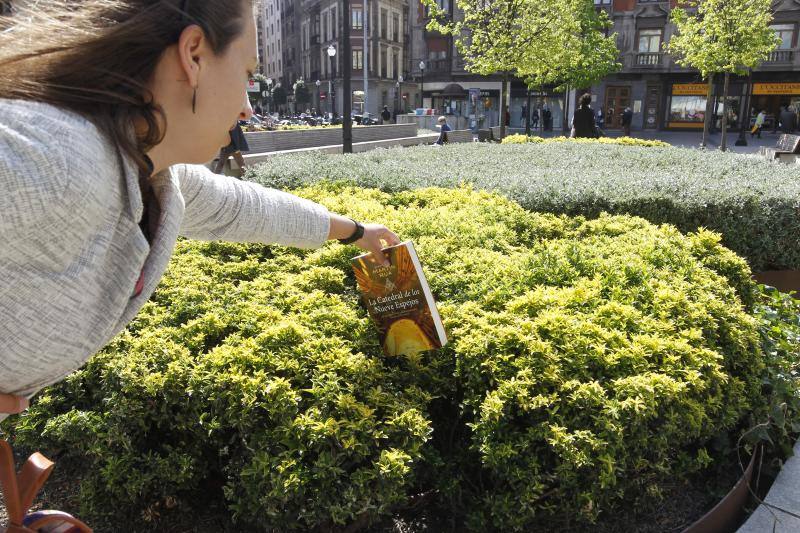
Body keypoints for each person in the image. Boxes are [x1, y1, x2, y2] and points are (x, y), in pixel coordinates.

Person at [0, 0, 400, 468]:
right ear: (193, 55)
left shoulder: (151, 168)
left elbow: (241, 208)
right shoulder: (57, 157)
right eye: (248, 73)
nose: (249, 109)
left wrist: (355, 233)